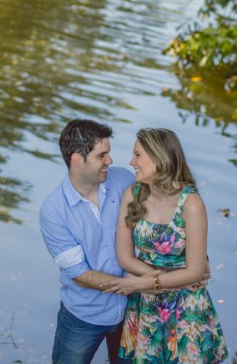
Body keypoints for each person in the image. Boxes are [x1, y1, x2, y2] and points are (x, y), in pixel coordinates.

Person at [105, 127, 228, 363]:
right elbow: (124, 256)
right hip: (147, 302)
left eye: (137, 155)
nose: (132, 162)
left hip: (186, 305)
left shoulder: (191, 203)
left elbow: (195, 270)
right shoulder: (133, 194)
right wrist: (154, 281)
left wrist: (142, 283)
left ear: (159, 157)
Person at [39, 119, 135, 364]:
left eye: (109, 153)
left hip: (133, 312)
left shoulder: (124, 180)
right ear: (77, 159)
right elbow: (80, 275)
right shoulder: (53, 211)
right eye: (102, 155)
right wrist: (142, 284)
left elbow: (158, 223)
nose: (110, 161)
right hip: (82, 318)